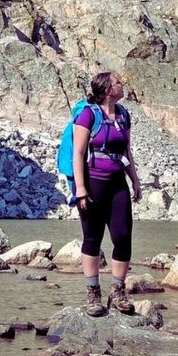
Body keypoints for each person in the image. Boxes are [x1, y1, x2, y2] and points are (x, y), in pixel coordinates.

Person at [71, 70, 142, 316]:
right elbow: (78, 154)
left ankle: (118, 292)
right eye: (118, 82)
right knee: (92, 238)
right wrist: (80, 189)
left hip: (117, 184)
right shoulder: (87, 115)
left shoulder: (123, 115)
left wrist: (135, 180)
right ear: (107, 89)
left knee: (122, 237)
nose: (123, 85)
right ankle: (93, 294)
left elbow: (127, 151)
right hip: (93, 184)